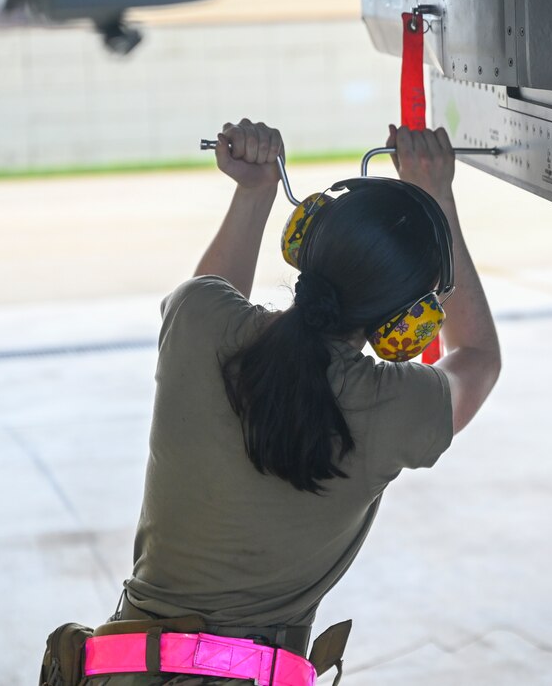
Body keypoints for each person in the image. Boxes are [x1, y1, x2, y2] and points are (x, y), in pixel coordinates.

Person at [77, 119, 500, 685]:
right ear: (409, 322)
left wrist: (253, 190)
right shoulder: (397, 405)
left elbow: (215, 292)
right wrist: (438, 195)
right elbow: (476, 355)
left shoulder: (196, 321)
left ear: (301, 239)